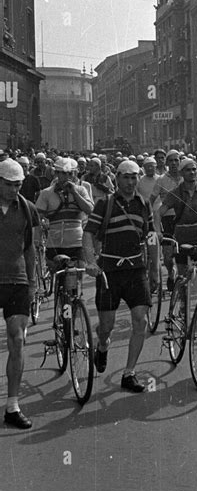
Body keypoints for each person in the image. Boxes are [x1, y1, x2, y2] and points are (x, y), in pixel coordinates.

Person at [82, 160, 159, 392]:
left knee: (141, 320)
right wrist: (91, 261)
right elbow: (88, 233)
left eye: (134, 177)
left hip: (136, 270)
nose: (130, 182)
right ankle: (103, 347)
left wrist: (155, 268)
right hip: (110, 271)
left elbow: (152, 237)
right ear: (117, 178)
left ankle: (129, 373)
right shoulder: (105, 204)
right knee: (106, 326)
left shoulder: (144, 204)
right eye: (125, 177)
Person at [0, 158, 40, 429]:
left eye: (18, 185)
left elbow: (30, 248)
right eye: (9, 185)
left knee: (17, 341)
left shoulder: (27, 208)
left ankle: (12, 406)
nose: (14, 190)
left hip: (17, 281)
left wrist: (33, 282)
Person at [36, 157, 93, 269]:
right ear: (56, 174)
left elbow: (90, 210)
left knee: (79, 274)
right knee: (56, 275)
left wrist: (75, 193)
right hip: (54, 243)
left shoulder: (81, 190)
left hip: (77, 242)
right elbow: (37, 217)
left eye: (70, 173)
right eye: (63, 173)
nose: (67, 177)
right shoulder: (46, 193)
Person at [159, 157, 197, 275]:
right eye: (188, 170)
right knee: (182, 275)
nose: (192, 172)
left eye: (194, 169)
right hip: (182, 237)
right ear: (181, 172)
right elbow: (158, 213)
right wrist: (158, 231)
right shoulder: (175, 193)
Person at [149, 149, 182, 290]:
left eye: (176, 160)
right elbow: (151, 199)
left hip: (183, 220)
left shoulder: (186, 177)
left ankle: (182, 286)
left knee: (183, 256)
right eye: (171, 161)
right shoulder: (161, 180)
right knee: (168, 257)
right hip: (167, 219)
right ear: (167, 163)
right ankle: (170, 272)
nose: (174, 163)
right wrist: (151, 219)